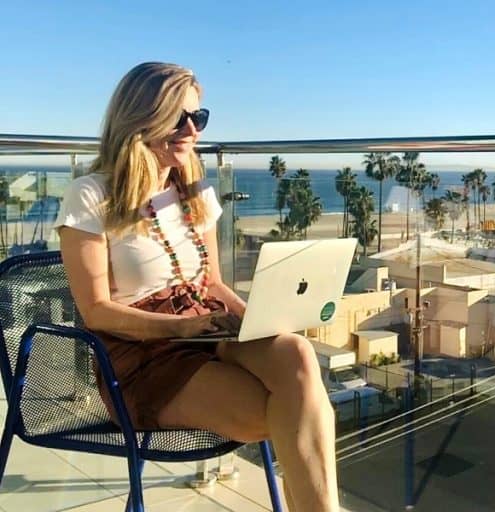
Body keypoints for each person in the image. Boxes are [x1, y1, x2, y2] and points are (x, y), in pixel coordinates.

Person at [53, 62, 339, 512]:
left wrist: (260, 319)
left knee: (296, 355)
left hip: (205, 326)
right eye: (179, 117)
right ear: (140, 118)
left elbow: (213, 284)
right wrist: (183, 329)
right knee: (287, 411)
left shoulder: (193, 190)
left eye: (199, 118)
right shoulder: (92, 196)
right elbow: (97, 311)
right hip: (139, 354)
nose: (192, 130)